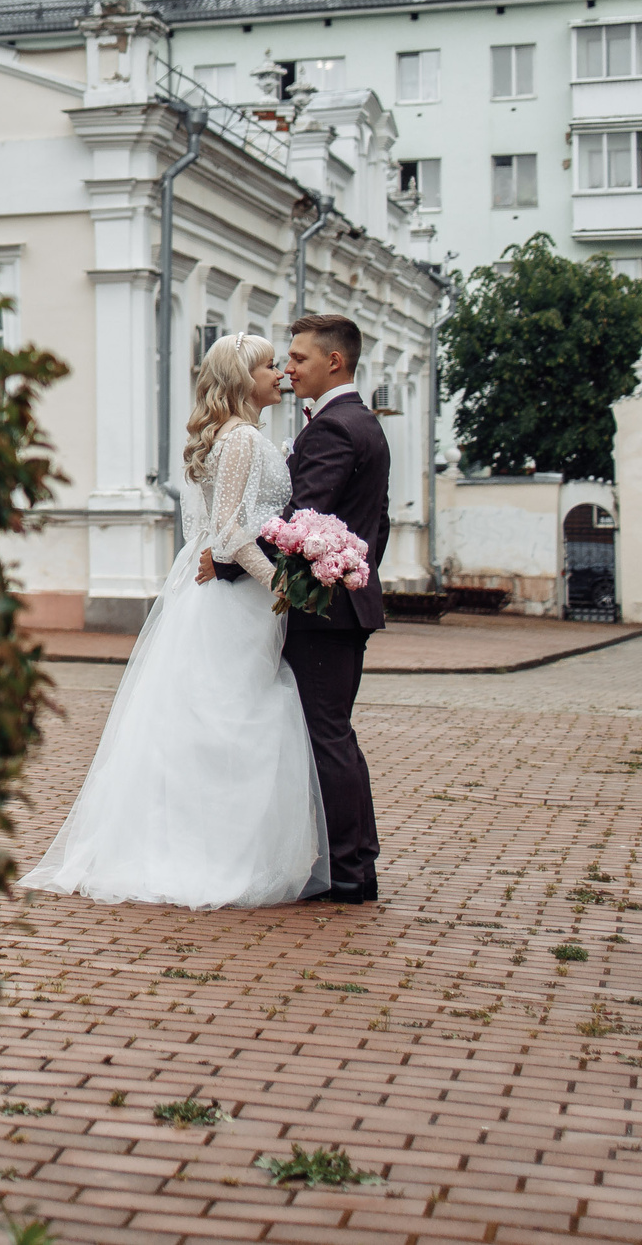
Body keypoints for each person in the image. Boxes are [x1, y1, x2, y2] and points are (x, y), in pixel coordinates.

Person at [17, 334, 329, 910]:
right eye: (268, 366)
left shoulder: (240, 436)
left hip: (230, 593)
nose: (280, 374)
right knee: (228, 719)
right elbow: (229, 532)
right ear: (242, 379)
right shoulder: (240, 440)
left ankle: (215, 847)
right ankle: (208, 855)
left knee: (215, 718)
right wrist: (280, 585)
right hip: (233, 600)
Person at [203, 312, 387, 904]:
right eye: (282, 360)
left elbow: (298, 521)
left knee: (326, 736)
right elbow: (375, 523)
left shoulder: (335, 428)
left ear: (334, 361)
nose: (288, 370)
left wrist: (227, 562)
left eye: (298, 358)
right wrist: (356, 573)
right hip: (342, 601)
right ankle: (351, 863)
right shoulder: (361, 421)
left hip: (321, 608)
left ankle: (350, 869)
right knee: (331, 734)